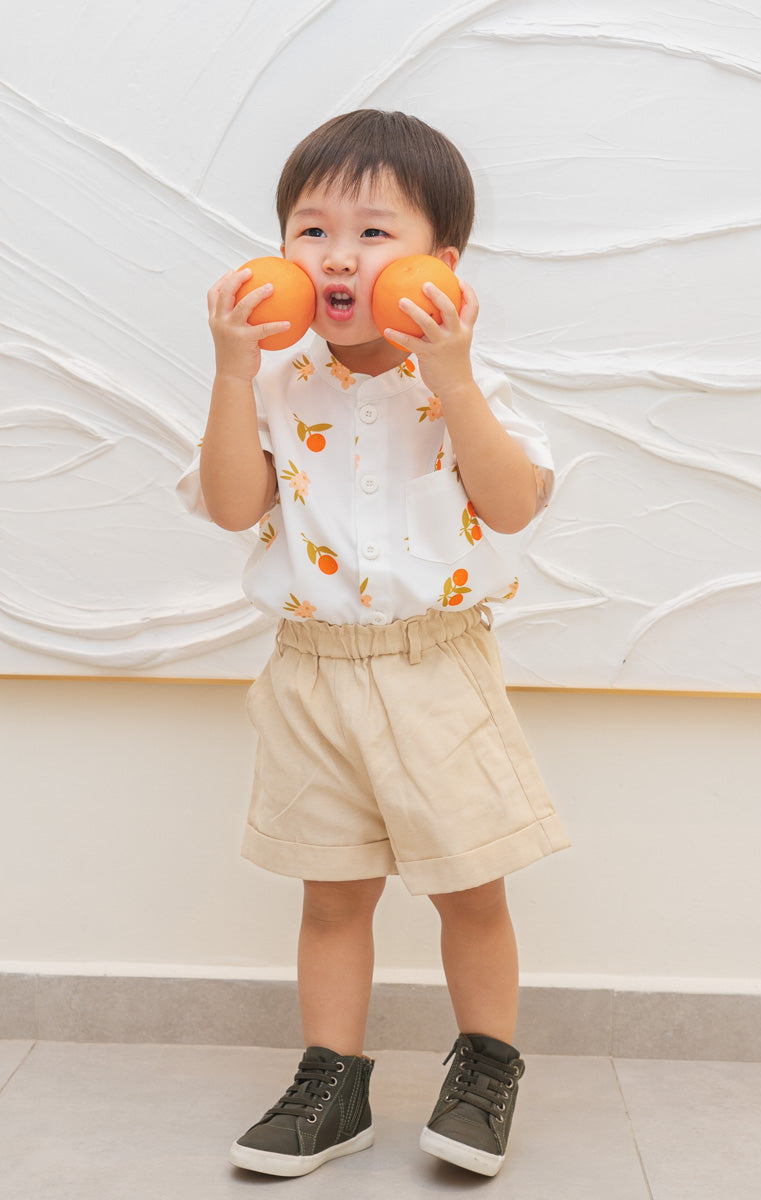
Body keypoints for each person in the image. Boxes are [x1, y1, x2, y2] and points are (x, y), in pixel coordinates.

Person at [177, 108, 570, 1180]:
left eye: (372, 232)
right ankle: (330, 1080)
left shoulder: (468, 384)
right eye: (310, 230)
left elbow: (511, 504)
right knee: (332, 892)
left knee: (469, 887)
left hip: (437, 664)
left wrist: (452, 376)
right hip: (310, 673)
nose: (337, 256)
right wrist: (225, 369)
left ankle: (485, 1066)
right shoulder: (271, 377)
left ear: (441, 263)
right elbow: (228, 505)